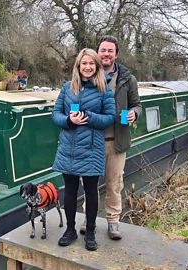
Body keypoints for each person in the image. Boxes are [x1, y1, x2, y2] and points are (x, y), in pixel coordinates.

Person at [52, 48, 116, 251]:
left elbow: (110, 117)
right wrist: (69, 120)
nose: (87, 67)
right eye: (84, 64)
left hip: (91, 147)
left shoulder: (104, 89)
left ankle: (90, 233)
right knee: (69, 191)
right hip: (68, 148)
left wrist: (88, 116)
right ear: (78, 66)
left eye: (91, 64)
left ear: (96, 66)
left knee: (91, 192)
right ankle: (70, 230)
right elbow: (55, 114)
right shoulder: (66, 88)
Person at [79, 36, 142, 240]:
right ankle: (89, 219)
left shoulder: (127, 79)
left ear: (116, 54)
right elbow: (74, 100)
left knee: (114, 183)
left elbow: (137, 104)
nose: (106, 54)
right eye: (103, 50)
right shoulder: (86, 75)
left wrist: (134, 113)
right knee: (89, 183)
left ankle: (113, 221)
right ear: (98, 52)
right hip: (90, 141)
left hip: (116, 141)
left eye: (110, 51)